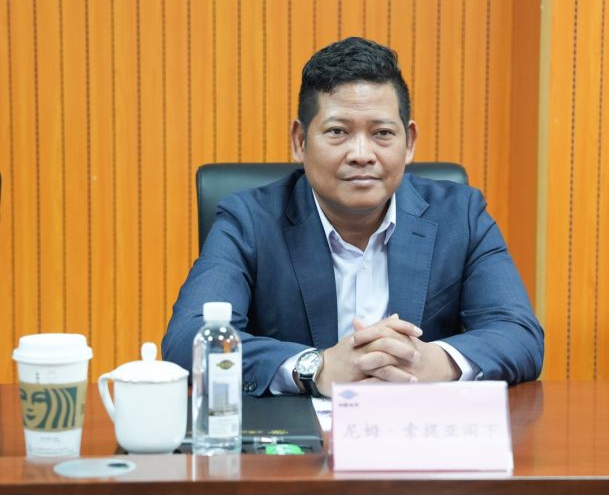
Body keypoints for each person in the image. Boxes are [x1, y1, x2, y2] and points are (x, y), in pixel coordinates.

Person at [162, 37, 544, 397]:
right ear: (300, 141)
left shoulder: (460, 215)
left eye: (382, 133)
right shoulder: (250, 220)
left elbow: (519, 333)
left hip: (417, 434)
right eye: (338, 131)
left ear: (409, 142)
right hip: (301, 438)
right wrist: (316, 367)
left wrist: (434, 362)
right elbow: (188, 338)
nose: (361, 154)